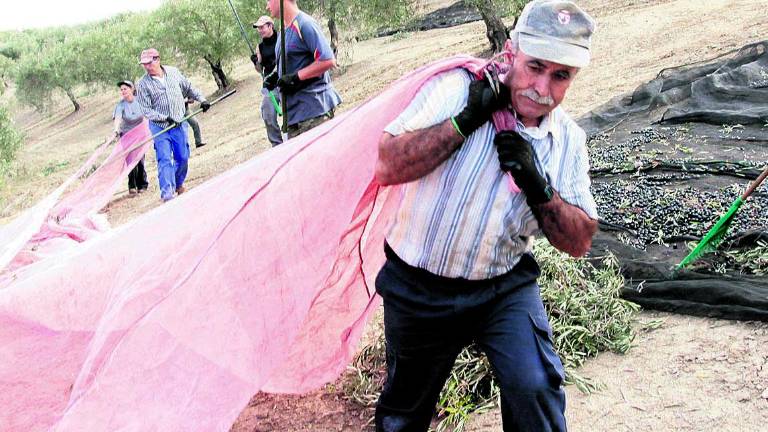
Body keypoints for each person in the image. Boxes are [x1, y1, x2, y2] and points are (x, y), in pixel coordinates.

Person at [371, 1, 598, 431]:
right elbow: (388, 166)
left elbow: (580, 241)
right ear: (511, 52)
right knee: (402, 415)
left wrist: (540, 187)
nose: (542, 88)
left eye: (561, 75)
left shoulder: (566, 139)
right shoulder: (457, 89)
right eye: (535, 66)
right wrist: (465, 121)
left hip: (500, 287)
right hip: (418, 284)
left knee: (535, 388)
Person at [135, 48, 210, 202]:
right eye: (144, 65)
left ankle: (178, 183)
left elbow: (188, 87)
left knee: (182, 157)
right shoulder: (142, 84)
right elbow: (146, 110)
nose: (147, 67)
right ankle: (167, 194)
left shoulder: (173, 72)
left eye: (149, 63)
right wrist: (164, 118)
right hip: (160, 127)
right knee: (164, 159)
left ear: (157, 59)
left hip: (179, 122)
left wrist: (202, 100)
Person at [265, 0, 342, 139]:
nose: (267, 6)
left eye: (268, 1)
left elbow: (327, 60)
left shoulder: (304, 24)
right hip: (294, 118)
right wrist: (276, 76)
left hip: (313, 113)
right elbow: (293, 61)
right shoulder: (284, 29)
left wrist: (296, 78)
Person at [111, 80, 148, 195]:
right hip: (126, 135)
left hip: (140, 134)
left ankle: (142, 184)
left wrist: (148, 129)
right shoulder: (120, 105)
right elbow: (117, 118)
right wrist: (116, 130)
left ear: (132, 89)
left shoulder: (140, 101)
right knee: (129, 159)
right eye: (121, 90)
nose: (123, 91)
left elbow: (146, 114)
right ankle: (132, 185)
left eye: (125, 89)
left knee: (140, 159)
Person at [250, 15, 283, 146]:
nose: (260, 30)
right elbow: (260, 69)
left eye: (262, 27)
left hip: (284, 80)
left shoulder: (282, 38)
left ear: (270, 26)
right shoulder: (260, 47)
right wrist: (255, 62)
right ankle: (277, 144)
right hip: (269, 86)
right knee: (267, 113)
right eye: (258, 28)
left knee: (290, 111)